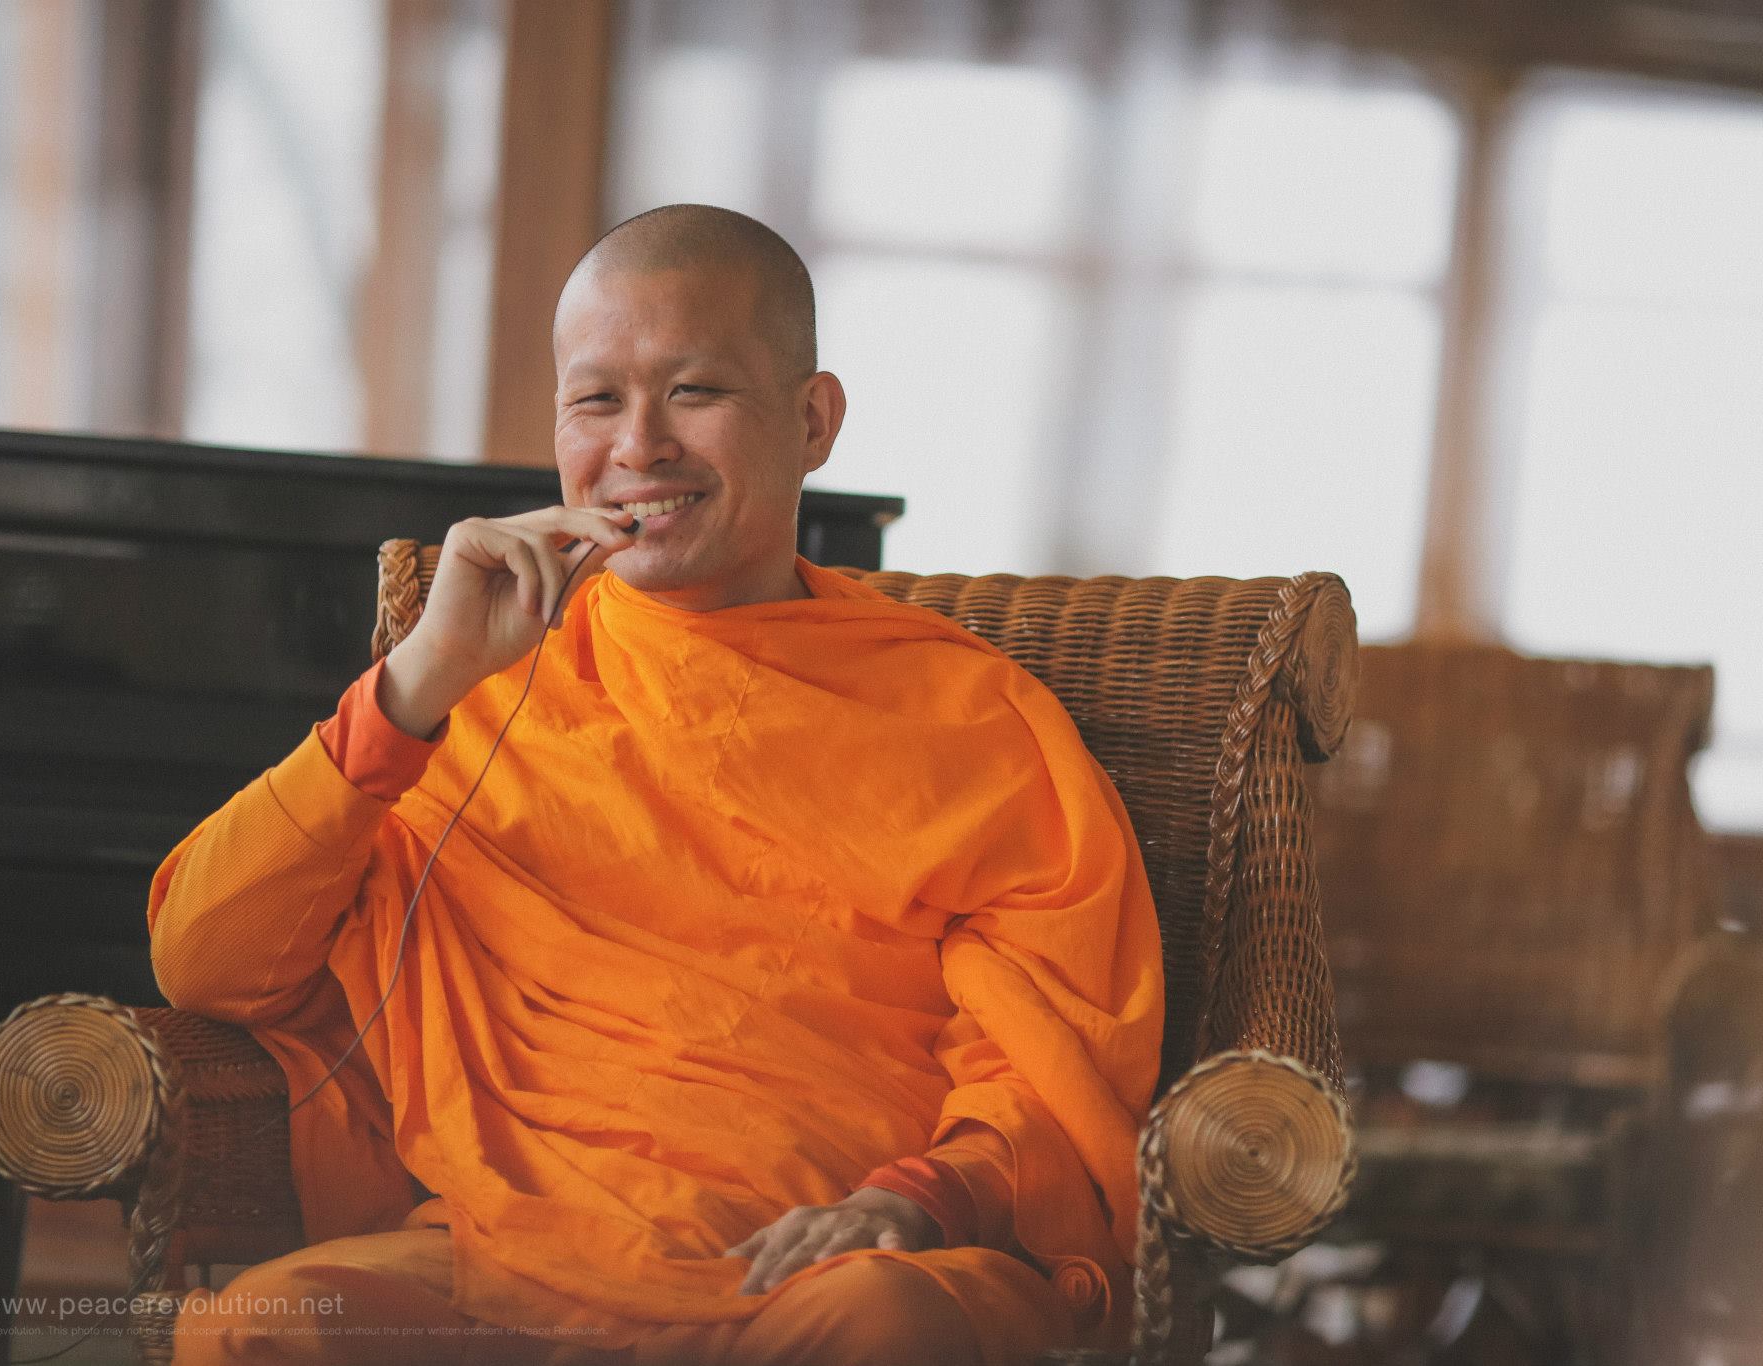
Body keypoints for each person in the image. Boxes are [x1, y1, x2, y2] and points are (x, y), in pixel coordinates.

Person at [147, 203, 1164, 1365]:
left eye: (695, 392)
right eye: (596, 400)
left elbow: (1043, 1059)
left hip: (816, 1271)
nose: (639, 445)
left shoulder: (971, 721)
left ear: (813, 419)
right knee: (262, 1331)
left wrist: (921, 1198)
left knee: (887, 1329)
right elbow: (204, 961)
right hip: (514, 1266)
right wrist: (416, 680)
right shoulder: (476, 690)